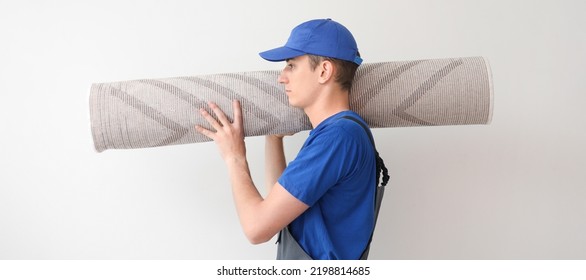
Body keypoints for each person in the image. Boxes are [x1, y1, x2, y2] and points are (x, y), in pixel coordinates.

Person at [196, 18, 380, 260]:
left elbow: (256, 228)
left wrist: (234, 157)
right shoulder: (337, 133)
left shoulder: (338, 138)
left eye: (291, 65)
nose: (281, 77)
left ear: (324, 71)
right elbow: (278, 214)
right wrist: (274, 139)